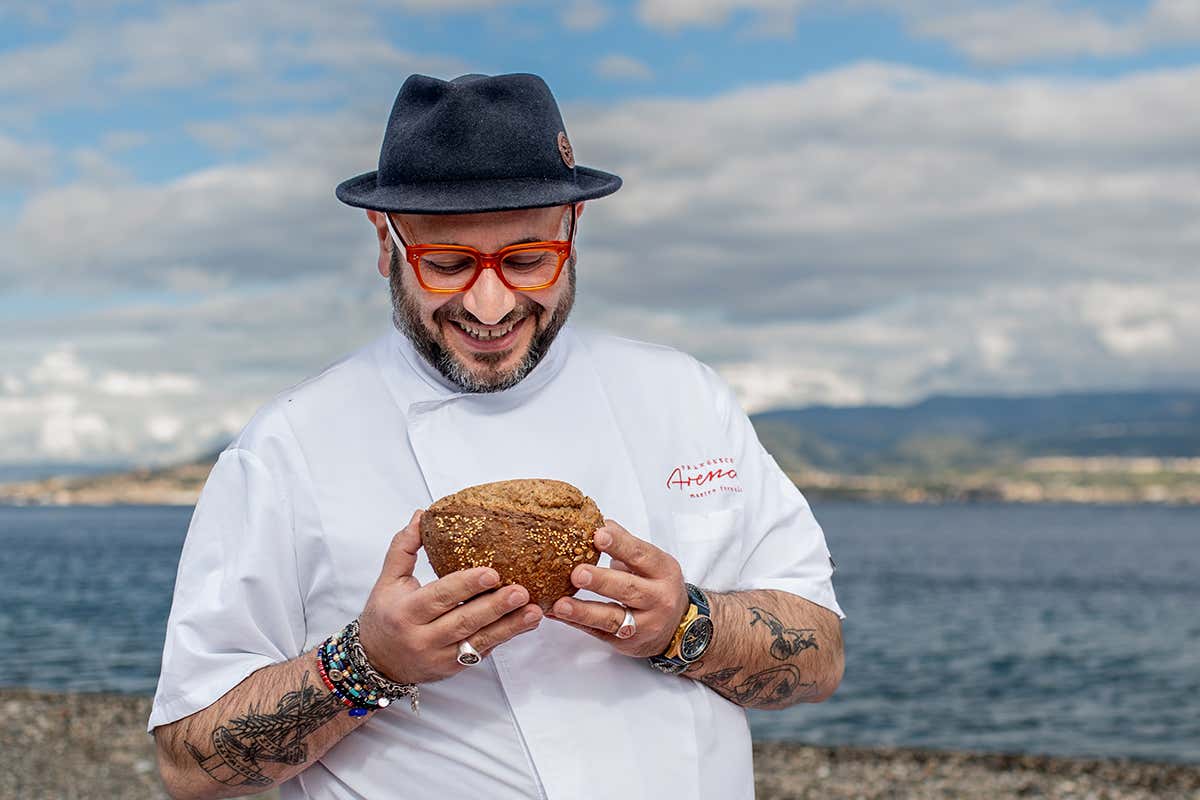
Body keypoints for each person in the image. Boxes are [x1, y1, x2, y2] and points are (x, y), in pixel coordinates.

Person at [148, 72, 845, 800]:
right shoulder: (287, 448)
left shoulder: (685, 396)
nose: (491, 304)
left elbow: (820, 657)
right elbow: (188, 764)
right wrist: (365, 664)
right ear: (385, 244)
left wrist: (686, 625)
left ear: (572, 231)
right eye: (446, 265)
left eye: (525, 259)